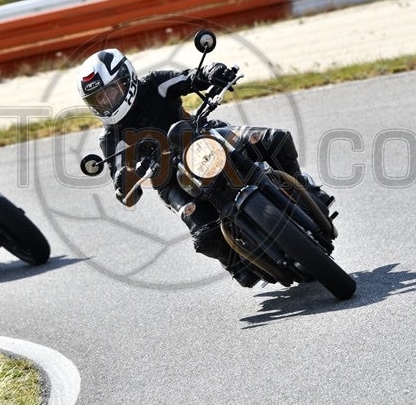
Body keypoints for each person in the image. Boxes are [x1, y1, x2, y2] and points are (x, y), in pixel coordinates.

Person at [77, 49, 333, 287]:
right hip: (169, 178)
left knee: (273, 140)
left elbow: (190, 77)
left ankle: (304, 188)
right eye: (98, 98)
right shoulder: (110, 138)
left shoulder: (154, 85)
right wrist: (126, 179)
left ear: (126, 80)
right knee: (205, 236)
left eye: (110, 92)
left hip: (204, 135)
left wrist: (212, 72)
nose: (106, 101)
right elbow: (121, 184)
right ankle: (236, 262)